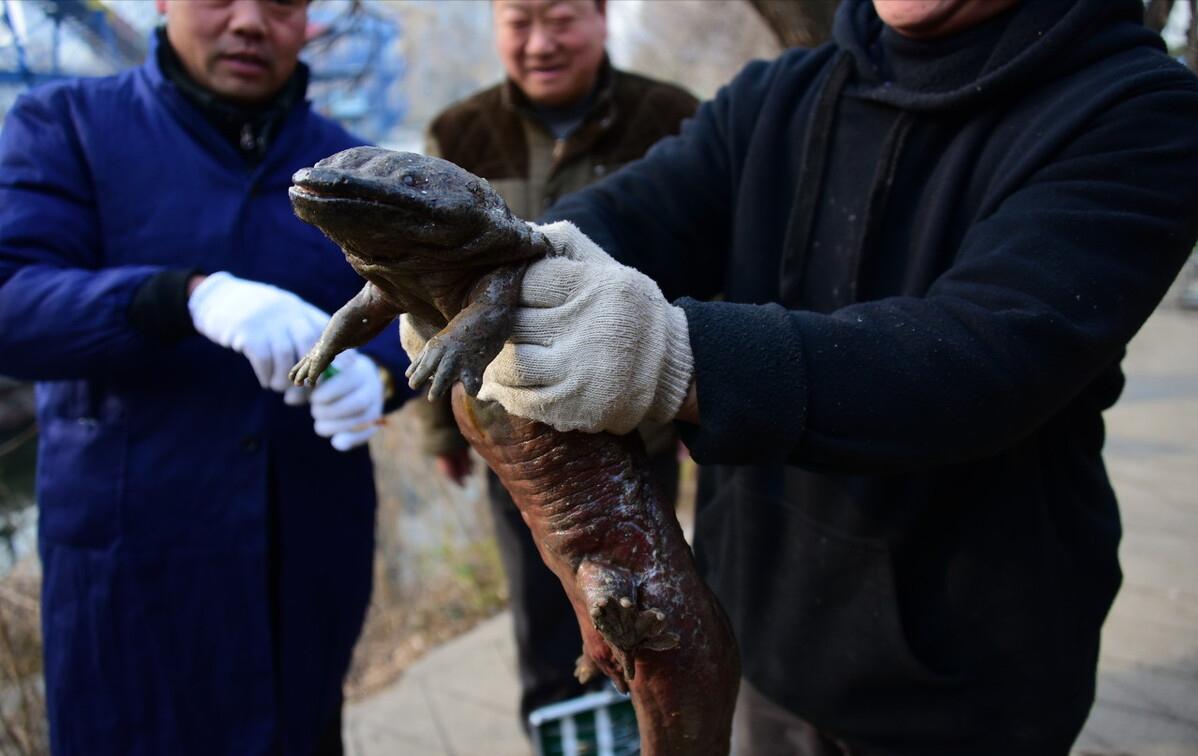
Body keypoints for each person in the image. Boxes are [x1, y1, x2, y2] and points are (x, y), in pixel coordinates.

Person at [427, 0, 1198, 753]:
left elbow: (985, 357)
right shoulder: (776, 96)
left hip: (971, 672)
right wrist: (488, 271)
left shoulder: (1135, 110)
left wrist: (673, 358)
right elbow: (630, 215)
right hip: (760, 633)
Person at [0, 1, 413, 753]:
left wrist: (380, 375)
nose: (250, 21)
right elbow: (11, 304)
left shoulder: (355, 167)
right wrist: (179, 296)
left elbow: (418, 316)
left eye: (282, 2)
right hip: (130, 585)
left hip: (307, 573)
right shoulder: (64, 126)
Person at [418, 0, 698, 729]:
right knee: (541, 611)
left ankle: (647, 724)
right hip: (512, 436)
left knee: (649, 604)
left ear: (602, 18)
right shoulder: (458, 132)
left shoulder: (668, 116)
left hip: (638, 429)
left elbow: (706, 267)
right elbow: (423, 290)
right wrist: (443, 434)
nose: (540, 43)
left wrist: (708, 402)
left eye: (562, 18)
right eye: (519, 21)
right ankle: (558, 727)